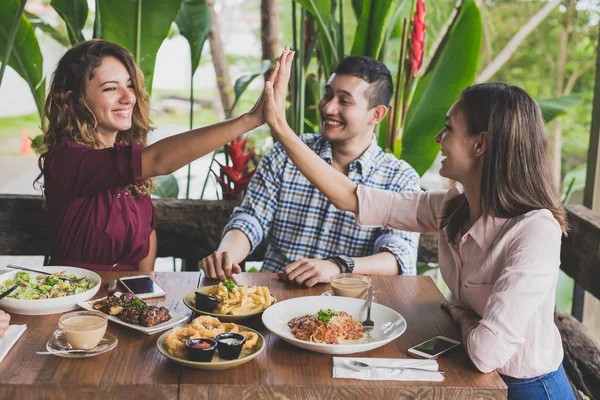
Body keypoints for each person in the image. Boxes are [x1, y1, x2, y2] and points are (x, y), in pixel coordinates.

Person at [263, 56, 575, 399]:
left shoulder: (535, 232)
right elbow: (351, 197)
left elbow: (487, 353)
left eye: (449, 129)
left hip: (526, 387)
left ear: (480, 144)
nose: (439, 138)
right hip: (471, 378)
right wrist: (280, 128)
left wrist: (461, 315)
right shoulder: (453, 205)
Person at [35, 39, 286, 272]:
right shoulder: (67, 159)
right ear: (75, 100)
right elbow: (159, 160)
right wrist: (249, 120)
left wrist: (147, 301)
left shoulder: (129, 162)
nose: (128, 97)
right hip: (71, 303)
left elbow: (146, 239)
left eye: (130, 85)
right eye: (111, 88)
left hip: (124, 303)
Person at [201, 54, 420, 287]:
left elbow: (398, 257)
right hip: (273, 296)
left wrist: (337, 266)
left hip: (346, 309)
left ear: (376, 114)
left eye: (344, 101)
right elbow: (252, 218)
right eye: (328, 95)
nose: (328, 107)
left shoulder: (399, 178)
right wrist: (227, 255)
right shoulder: (286, 153)